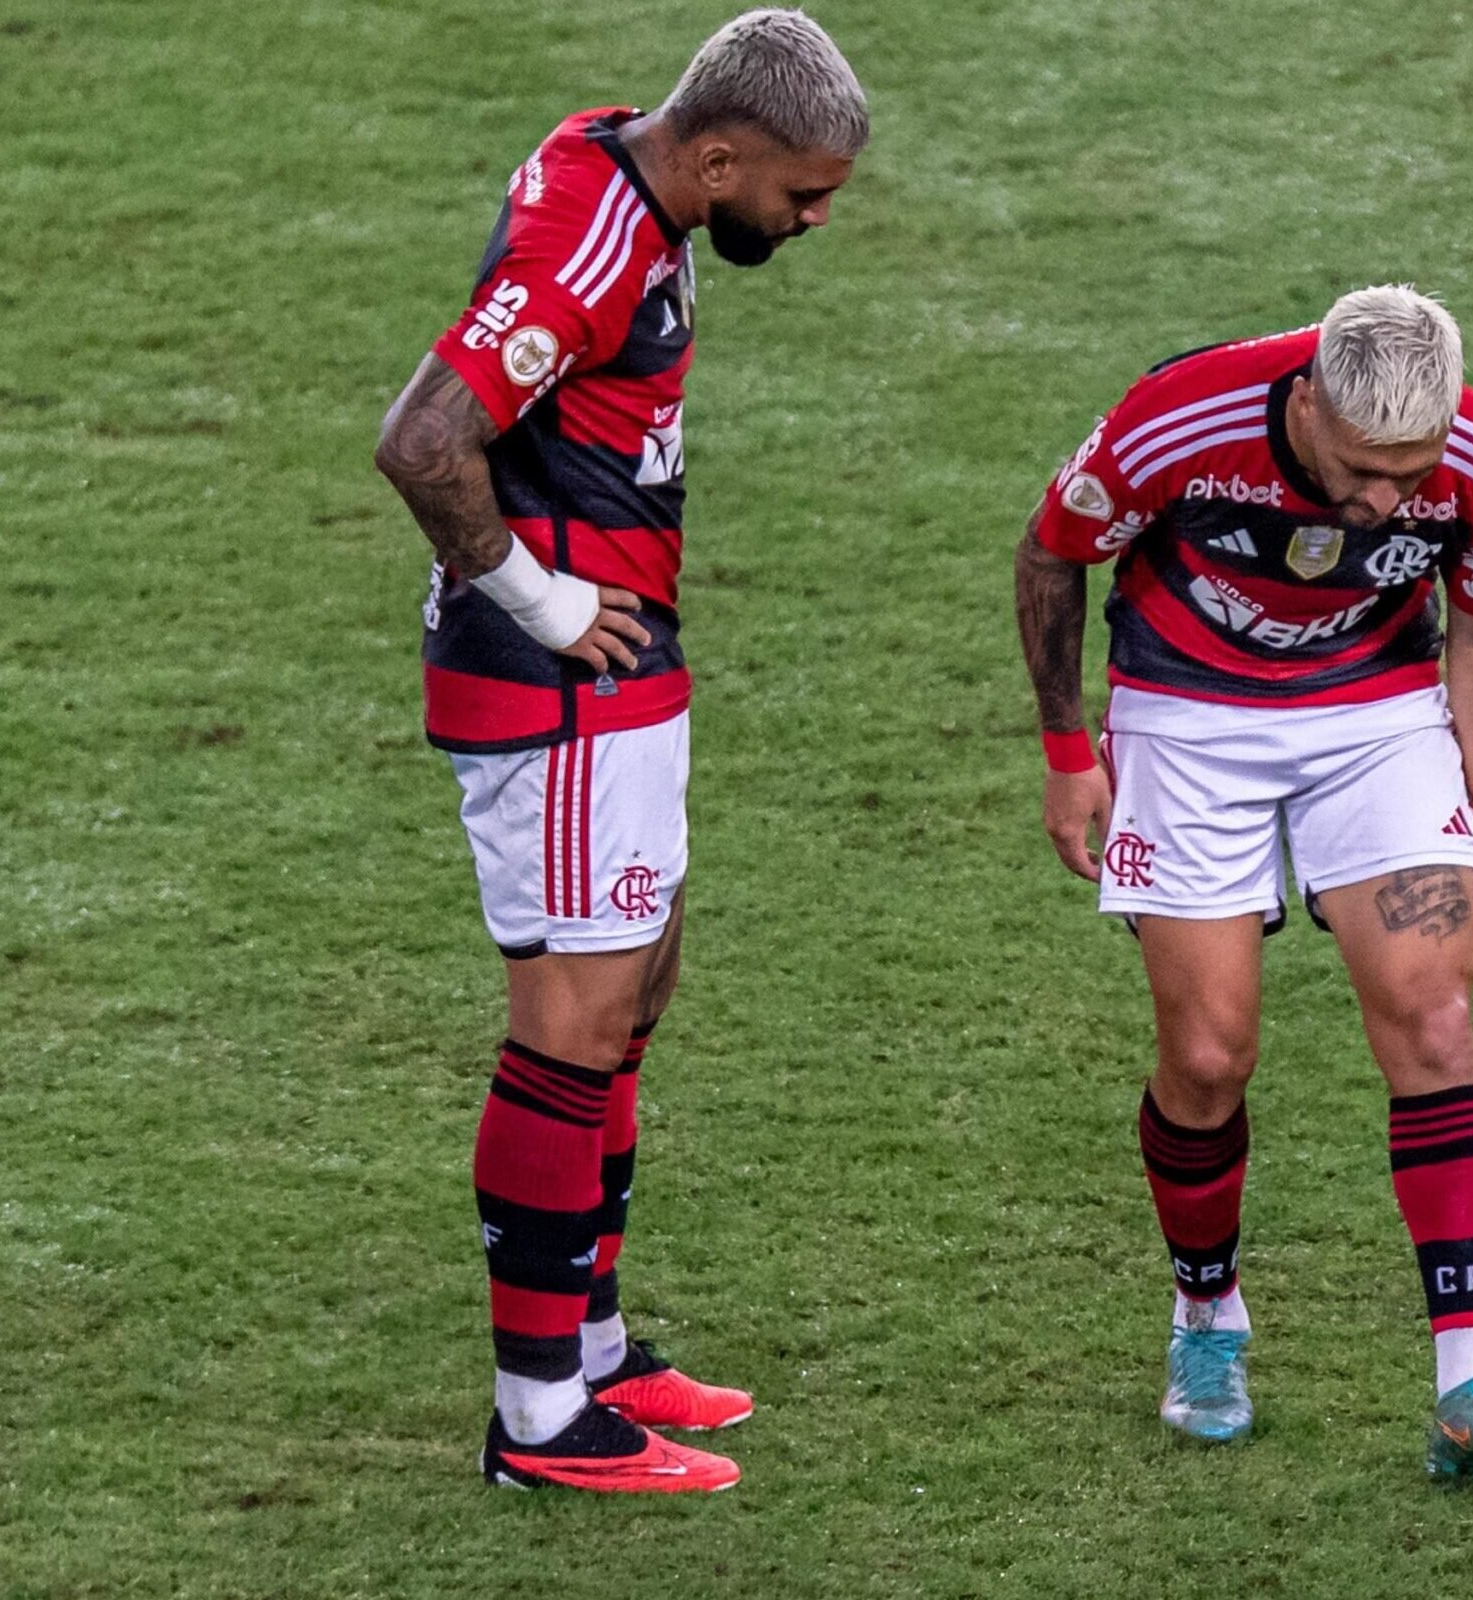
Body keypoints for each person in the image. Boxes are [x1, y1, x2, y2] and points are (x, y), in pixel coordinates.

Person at [372, 8, 866, 1494]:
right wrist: (541, 598)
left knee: (633, 994)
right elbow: (422, 439)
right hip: (553, 689)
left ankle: (590, 1343)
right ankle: (540, 1423)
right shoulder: (587, 249)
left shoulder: (622, 167)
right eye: (803, 191)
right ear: (719, 157)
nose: (814, 218)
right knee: (569, 1025)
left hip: (618, 677)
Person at [1012, 286, 1473, 1485]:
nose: (1385, 502)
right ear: (1305, 399)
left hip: (1373, 716)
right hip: (1185, 713)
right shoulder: (1176, 419)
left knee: (1434, 1016)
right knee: (1208, 1056)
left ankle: (1471, 1380)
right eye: (1363, 469)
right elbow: (1056, 552)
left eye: (1410, 474)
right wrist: (1067, 751)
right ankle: (1207, 1317)